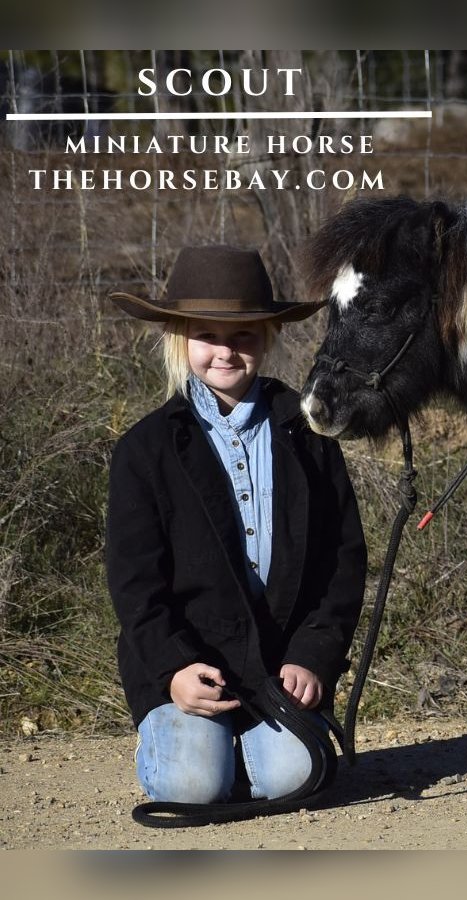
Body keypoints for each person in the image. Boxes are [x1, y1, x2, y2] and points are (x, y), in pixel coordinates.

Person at [105, 244, 367, 804]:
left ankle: (251, 753)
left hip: (280, 672)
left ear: (267, 338)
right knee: (190, 786)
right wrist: (174, 668)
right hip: (187, 669)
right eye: (207, 335)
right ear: (180, 338)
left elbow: (341, 560)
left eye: (243, 336)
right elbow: (135, 587)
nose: (226, 351)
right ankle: (191, 748)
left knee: (294, 777)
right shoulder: (144, 451)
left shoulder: (308, 436)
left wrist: (314, 654)